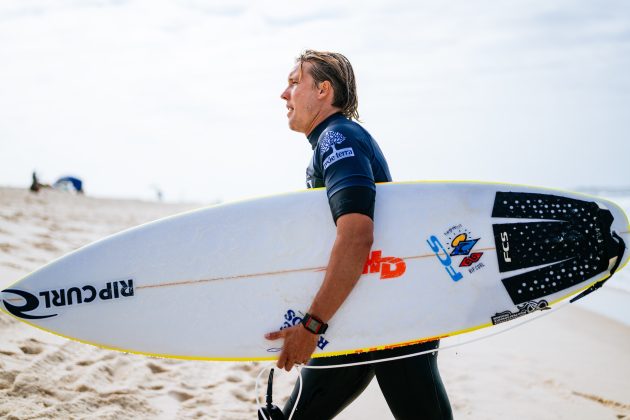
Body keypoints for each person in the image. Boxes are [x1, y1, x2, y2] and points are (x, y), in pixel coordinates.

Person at [265, 50, 453, 419]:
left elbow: (355, 236)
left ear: (323, 90)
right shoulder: (331, 141)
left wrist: (313, 324)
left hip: (392, 323)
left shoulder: (338, 140)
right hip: (361, 315)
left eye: (293, 82)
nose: (283, 94)